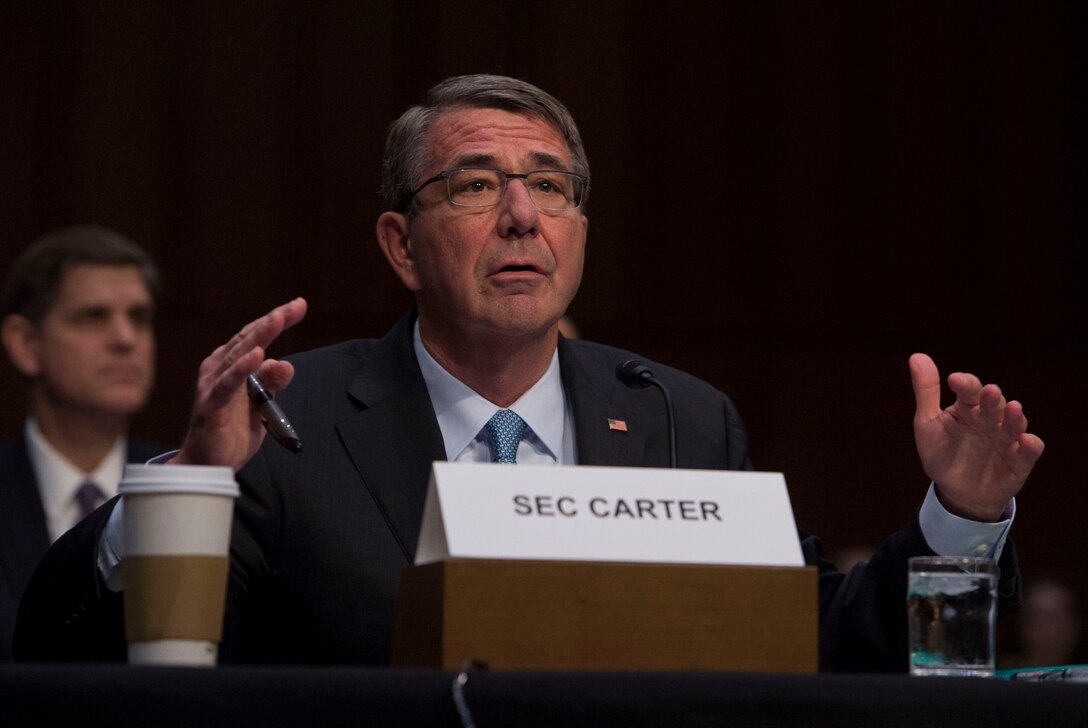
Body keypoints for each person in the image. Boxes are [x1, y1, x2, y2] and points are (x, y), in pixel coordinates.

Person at [13, 75, 1044, 671]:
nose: (520, 214)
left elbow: (821, 644)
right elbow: (79, 658)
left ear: (579, 232)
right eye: (475, 184)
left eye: (549, 186)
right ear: (400, 244)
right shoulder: (285, 419)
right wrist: (190, 480)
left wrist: (955, 516)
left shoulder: (684, 419)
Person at [0, 226, 163, 661]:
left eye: (139, 317)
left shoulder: (178, 483)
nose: (126, 338)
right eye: (94, 315)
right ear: (25, 343)